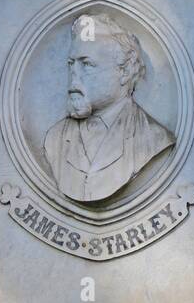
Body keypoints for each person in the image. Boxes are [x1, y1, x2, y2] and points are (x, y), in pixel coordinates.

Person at [43, 12, 174, 202]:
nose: (74, 75)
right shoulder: (54, 139)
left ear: (125, 71)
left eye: (86, 64)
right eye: (71, 64)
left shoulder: (154, 139)